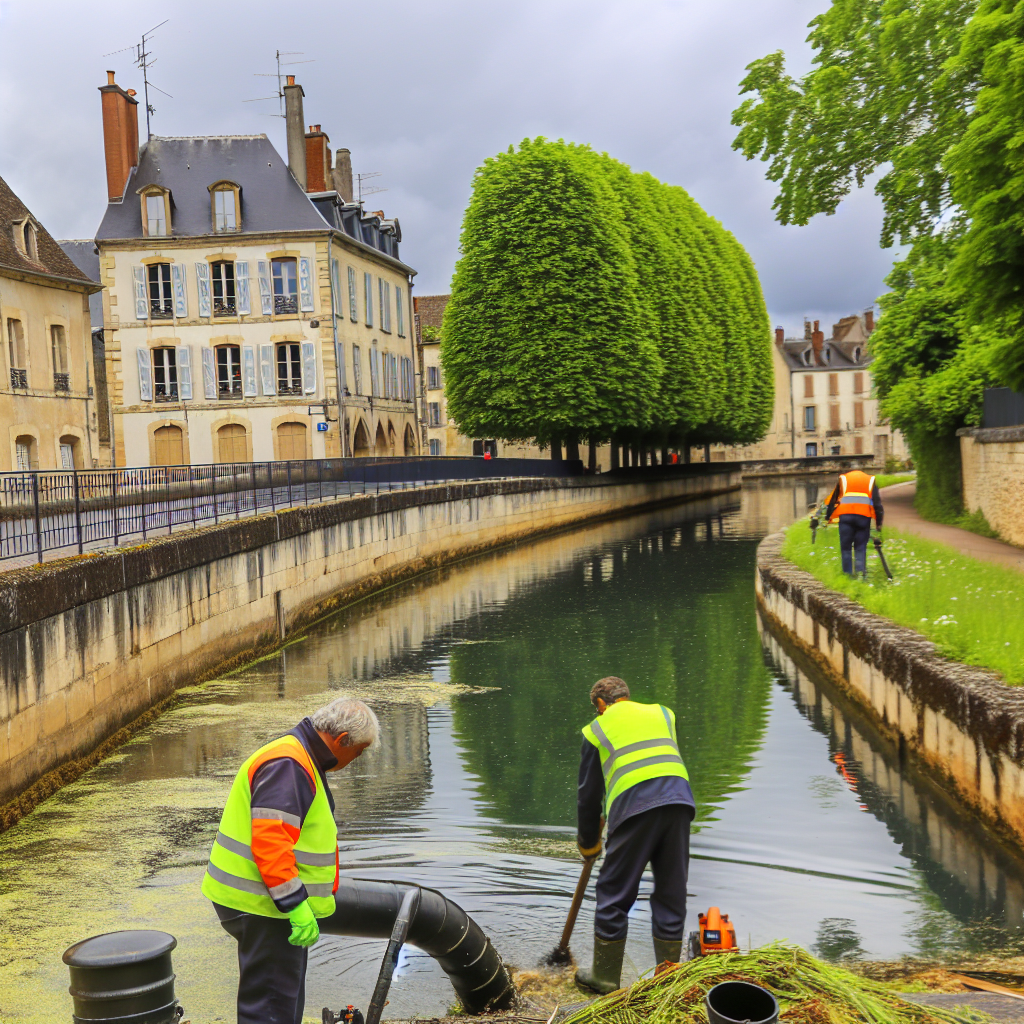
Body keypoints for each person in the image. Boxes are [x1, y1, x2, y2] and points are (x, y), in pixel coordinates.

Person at [201, 697, 380, 1024]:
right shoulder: (291, 764)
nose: (356, 760)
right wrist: (295, 905)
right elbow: (270, 842)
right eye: (358, 752)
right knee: (270, 1010)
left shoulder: (297, 754)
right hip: (264, 905)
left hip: (265, 902)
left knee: (282, 1004)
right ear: (341, 740)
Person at [575, 677, 695, 994]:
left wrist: (589, 843)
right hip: (680, 802)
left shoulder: (596, 730)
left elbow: (588, 797)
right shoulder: (663, 713)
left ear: (601, 704)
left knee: (613, 892)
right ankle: (668, 979)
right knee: (671, 890)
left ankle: (605, 978)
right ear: (627, 696)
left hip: (634, 806)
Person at [824, 469, 884, 578]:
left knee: (846, 548)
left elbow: (833, 500)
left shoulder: (843, 479)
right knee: (860, 547)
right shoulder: (870, 480)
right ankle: (860, 576)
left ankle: (848, 577)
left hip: (846, 517)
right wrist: (879, 524)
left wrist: (827, 517)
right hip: (863, 518)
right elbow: (877, 504)